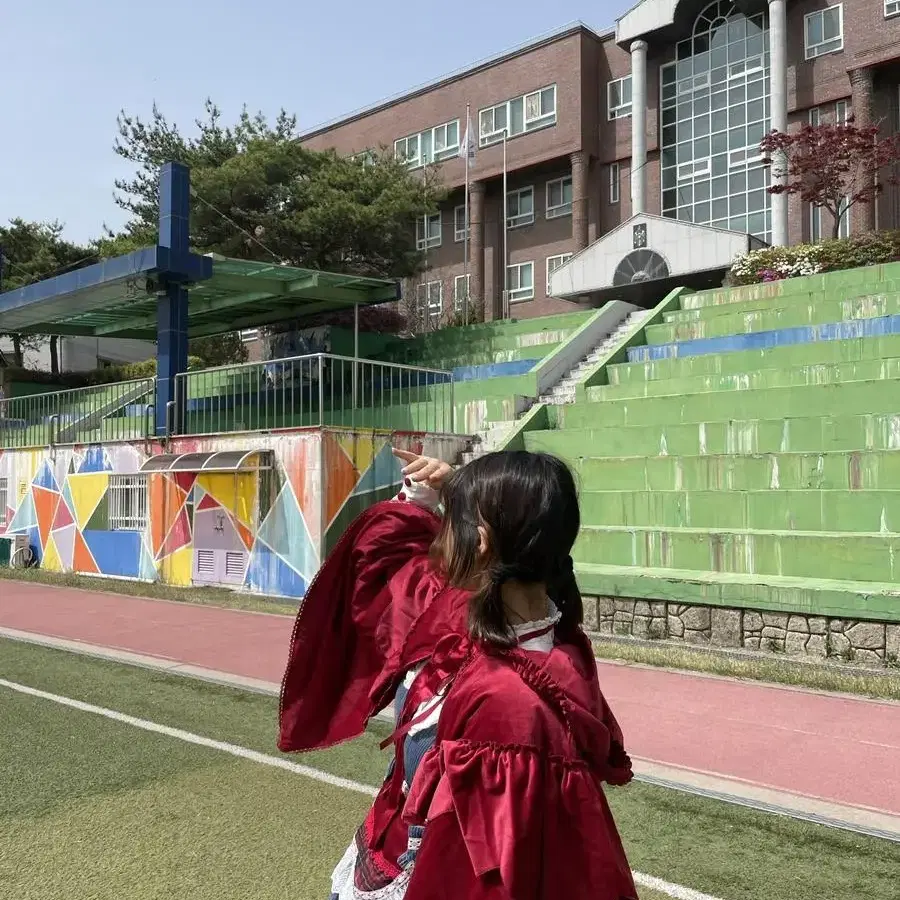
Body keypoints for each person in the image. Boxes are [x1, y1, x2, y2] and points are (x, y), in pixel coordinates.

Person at [279, 447, 636, 900]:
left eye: (450, 525)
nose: (437, 541)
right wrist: (446, 495)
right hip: (388, 848)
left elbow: (477, 875)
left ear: (482, 542)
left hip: (422, 871)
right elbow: (393, 562)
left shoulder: (505, 701)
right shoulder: (524, 631)